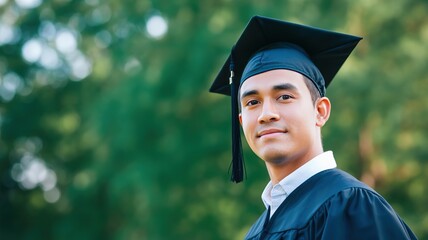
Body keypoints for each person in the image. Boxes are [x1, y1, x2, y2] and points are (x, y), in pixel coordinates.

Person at [209, 15, 417, 239]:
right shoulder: (257, 231)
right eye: (252, 102)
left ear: (320, 111)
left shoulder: (350, 206)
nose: (266, 114)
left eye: (285, 96)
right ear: (241, 121)